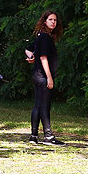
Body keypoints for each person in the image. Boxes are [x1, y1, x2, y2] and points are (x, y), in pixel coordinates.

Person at [29, 10, 63, 145]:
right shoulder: (45, 38)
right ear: (44, 21)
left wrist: (31, 57)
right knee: (44, 105)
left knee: (38, 105)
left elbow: (29, 49)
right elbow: (43, 58)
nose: (53, 22)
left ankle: (34, 136)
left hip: (37, 75)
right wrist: (49, 77)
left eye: (55, 20)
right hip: (42, 76)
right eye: (50, 20)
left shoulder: (41, 37)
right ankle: (48, 136)